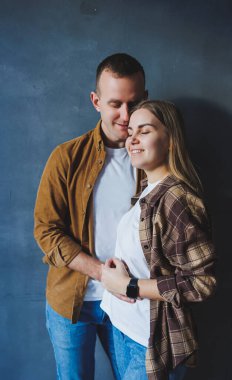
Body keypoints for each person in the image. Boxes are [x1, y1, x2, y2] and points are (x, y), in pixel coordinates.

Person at [33, 53, 148, 380]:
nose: (125, 115)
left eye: (134, 103)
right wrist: (102, 273)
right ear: (96, 101)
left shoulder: (158, 161)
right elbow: (46, 231)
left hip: (132, 305)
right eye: (115, 104)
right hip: (73, 303)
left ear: (146, 99)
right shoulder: (66, 158)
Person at [101, 100, 216, 380]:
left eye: (145, 130)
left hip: (150, 342)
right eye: (131, 132)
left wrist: (129, 286)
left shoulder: (177, 199)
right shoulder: (148, 190)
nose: (133, 139)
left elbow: (201, 283)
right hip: (121, 327)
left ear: (170, 141)